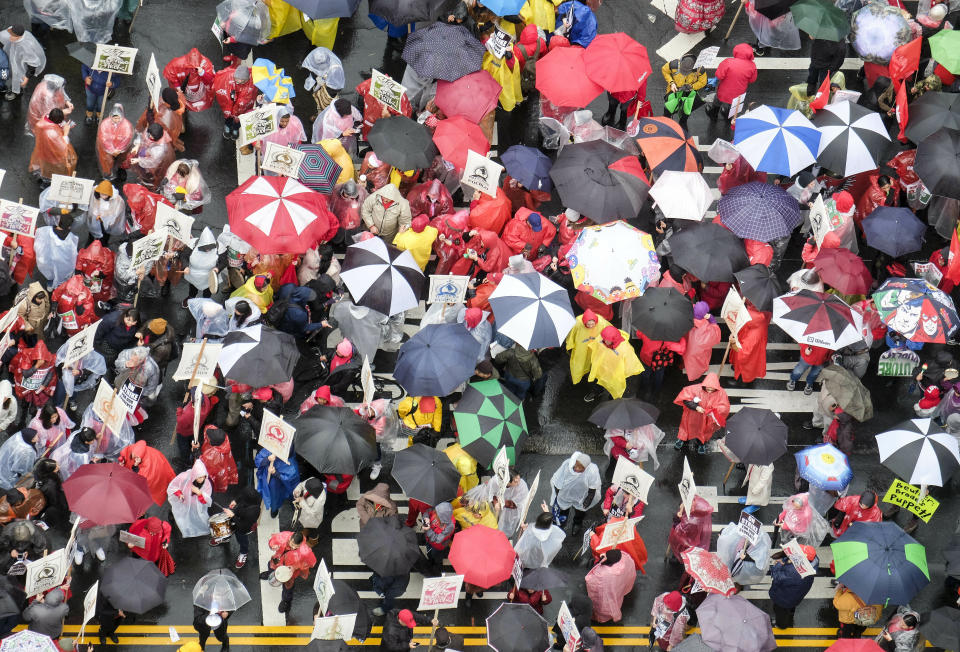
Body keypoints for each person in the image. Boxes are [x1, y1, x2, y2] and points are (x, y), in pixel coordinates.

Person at [260, 530, 316, 613]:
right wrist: (272, 546)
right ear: (290, 538)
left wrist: (295, 567)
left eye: (296, 546)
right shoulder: (283, 536)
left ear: (301, 544)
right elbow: (271, 541)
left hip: (289, 572)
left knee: (288, 587)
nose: (293, 548)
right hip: (276, 561)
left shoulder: (305, 552)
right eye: (292, 544)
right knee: (271, 567)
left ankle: (286, 601)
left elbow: (312, 563)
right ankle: (270, 574)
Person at [673, 373, 730, 453]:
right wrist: (696, 407)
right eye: (708, 388)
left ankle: (701, 443)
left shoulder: (721, 393)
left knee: (704, 431)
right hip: (692, 416)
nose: (709, 391)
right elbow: (686, 400)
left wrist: (713, 411)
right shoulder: (695, 389)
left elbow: (725, 407)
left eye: (712, 389)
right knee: (687, 428)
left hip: (708, 418)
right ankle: (682, 440)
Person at [585, 325, 643, 401]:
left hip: (615, 372)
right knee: (599, 381)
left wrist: (624, 373)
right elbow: (596, 347)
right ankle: (597, 391)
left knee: (614, 387)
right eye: (604, 339)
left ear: (614, 338)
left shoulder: (625, 348)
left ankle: (612, 398)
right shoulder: (601, 338)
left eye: (608, 340)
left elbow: (631, 363)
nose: (605, 341)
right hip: (602, 368)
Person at [550, 452, 601, 533]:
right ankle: (562, 522)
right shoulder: (567, 465)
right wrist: (557, 493)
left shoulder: (592, 470)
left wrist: (588, 500)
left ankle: (577, 523)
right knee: (563, 509)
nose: (577, 469)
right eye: (576, 466)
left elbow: (593, 487)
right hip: (565, 494)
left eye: (581, 468)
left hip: (581, 495)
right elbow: (558, 480)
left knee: (580, 511)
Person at [768, 545, 818, 629]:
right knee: (790, 606)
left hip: (784, 597)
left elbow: (777, 577)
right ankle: (790, 613)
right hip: (797, 593)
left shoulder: (793, 571)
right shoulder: (812, 563)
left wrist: (777, 565)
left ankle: (781, 625)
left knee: (781, 611)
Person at [118, 440, 176, 506]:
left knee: (165, 488)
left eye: (136, 459)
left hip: (158, 474)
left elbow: (139, 481)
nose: (134, 460)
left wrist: (133, 469)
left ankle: (173, 498)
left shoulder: (147, 469)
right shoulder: (138, 449)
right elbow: (127, 454)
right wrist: (124, 462)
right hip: (161, 464)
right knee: (171, 481)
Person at [708, 43, 757, 120]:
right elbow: (752, 80)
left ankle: (713, 114)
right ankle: (728, 117)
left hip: (724, 91)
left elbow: (719, 76)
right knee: (733, 106)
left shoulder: (728, 62)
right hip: (739, 93)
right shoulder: (752, 65)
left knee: (718, 101)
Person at [585, 549, 636, 623]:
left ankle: (601, 618)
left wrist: (600, 562)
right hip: (618, 586)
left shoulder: (602, 574)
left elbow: (591, 581)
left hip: (605, 593)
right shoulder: (624, 557)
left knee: (604, 605)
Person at [167, 459, 213, 539]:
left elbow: (206, 501)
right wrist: (179, 494)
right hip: (185, 503)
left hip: (196, 507)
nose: (201, 479)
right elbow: (173, 486)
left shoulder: (207, 484)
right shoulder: (185, 477)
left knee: (197, 517)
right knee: (184, 517)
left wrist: (199, 493)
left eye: (203, 476)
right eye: (199, 477)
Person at [0, 25, 46, 100]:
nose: (9, 37)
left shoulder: (25, 46)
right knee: (13, 74)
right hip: (14, 59)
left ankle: (16, 91)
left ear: (18, 36)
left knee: (19, 79)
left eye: (12, 36)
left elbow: (33, 64)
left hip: (21, 65)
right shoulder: (13, 34)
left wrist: (27, 77)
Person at [30, 108, 77, 181]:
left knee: (44, 166)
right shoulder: (52, 133)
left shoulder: (43, 121)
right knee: (51, 170)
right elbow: (63, 147)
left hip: (42, 151)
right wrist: (66, 132)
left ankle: (43, 176)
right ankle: (47, 180)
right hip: (51, 156)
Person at [213, 64, 258, 140]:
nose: (238, 81)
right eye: (237, 79)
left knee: (239, 120)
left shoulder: (252, 83)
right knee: (228, 117)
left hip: (243, 108)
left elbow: (248, 98)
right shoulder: (229, 76)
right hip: (230, 106)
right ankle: (228, 125)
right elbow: (216, 77)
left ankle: (235, 128)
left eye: (242, 80)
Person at [730, 301, 770, 385]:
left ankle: (742, 381)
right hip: (755, 349)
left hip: (747, 355)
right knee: (751, 366)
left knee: (746, 369)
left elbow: (742, 353)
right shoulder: (761, 316)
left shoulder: (753, 336)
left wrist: (733, 343)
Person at [660, 56, 706, 129]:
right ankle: (666, 120)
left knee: (686, 109)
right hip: (674, 91)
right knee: (668, 108)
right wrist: (672, 83)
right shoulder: (673, 65)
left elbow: (702, 82)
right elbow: (665, 70)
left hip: (688, 94)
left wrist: (692, 86)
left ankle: (683, 122)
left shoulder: (700, 69)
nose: (685, 73)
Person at [255, 449, 300, 519]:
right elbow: (258, 460)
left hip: (277, 485)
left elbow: (291, 479)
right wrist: (267, 459)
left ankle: (275, 509)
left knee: (276, 497)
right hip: (270, 482)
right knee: (274, 496)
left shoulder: (291, 463)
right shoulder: (271, 449)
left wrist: (276, 474)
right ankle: (275, 509)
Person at [667, 495, 713, 561]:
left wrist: (678, 517)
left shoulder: (689, 521)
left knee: (678, 543)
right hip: (697, 538)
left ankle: (679, 558)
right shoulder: (703, 514)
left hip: (687, 540)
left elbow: (679, 532)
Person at [199, 425, 238, 493]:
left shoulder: (214, 456)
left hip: (216, 470)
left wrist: (196, 450)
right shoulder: (223, 439)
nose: (207, 436)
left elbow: (202, 462)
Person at [291, 478, 326, 546]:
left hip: (313, 519)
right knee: (305, 525)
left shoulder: (320, 500)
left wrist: (302, 501)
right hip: (304, 515)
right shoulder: (311, 481)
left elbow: (312, 512)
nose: (305, 488)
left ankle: (313, 542)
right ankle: (306, 531)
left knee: (313, 531)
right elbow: (301, 485)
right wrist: (297, 491)